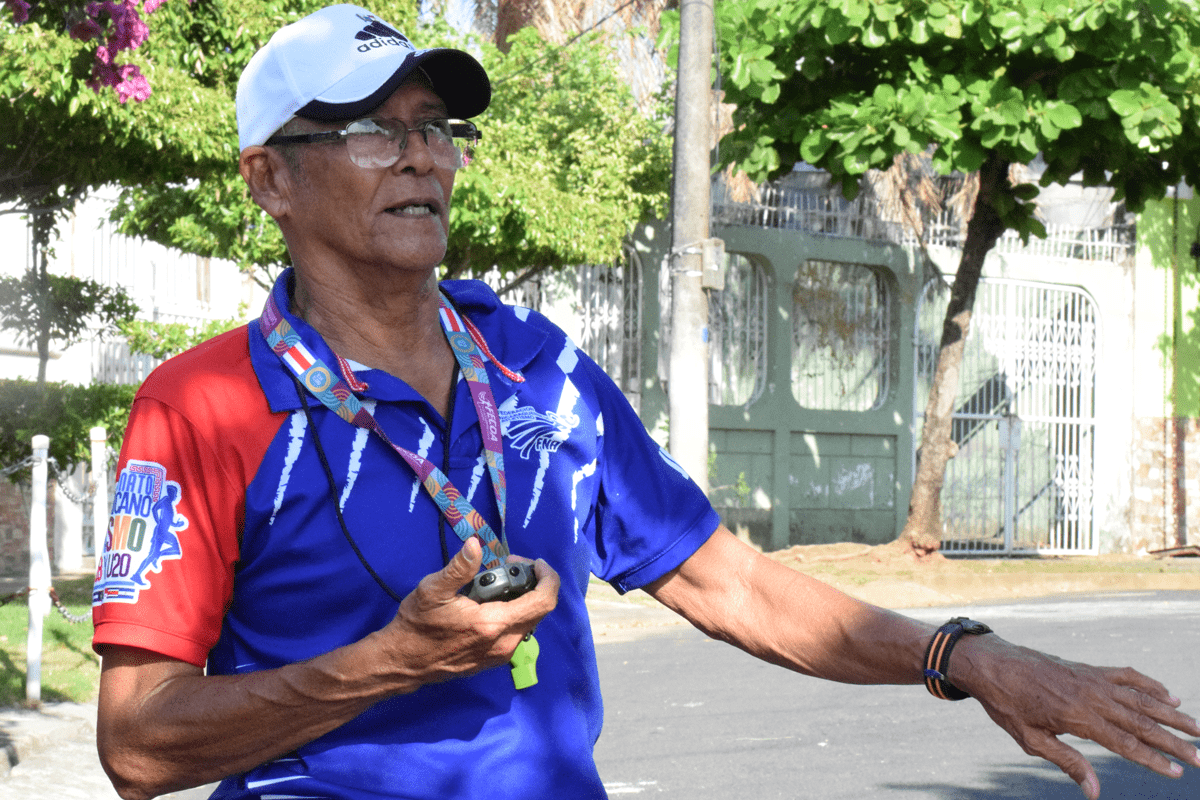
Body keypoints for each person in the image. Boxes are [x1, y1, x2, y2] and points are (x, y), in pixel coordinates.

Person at [91, 5, 1200, 800]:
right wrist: (390, 661)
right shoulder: (202, 407)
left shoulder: (537, 365)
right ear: (269, 177)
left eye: (436, 127)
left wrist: (964, 655)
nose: (422, 159)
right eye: (374, 131)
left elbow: (731, 582)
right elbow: (138, 748)